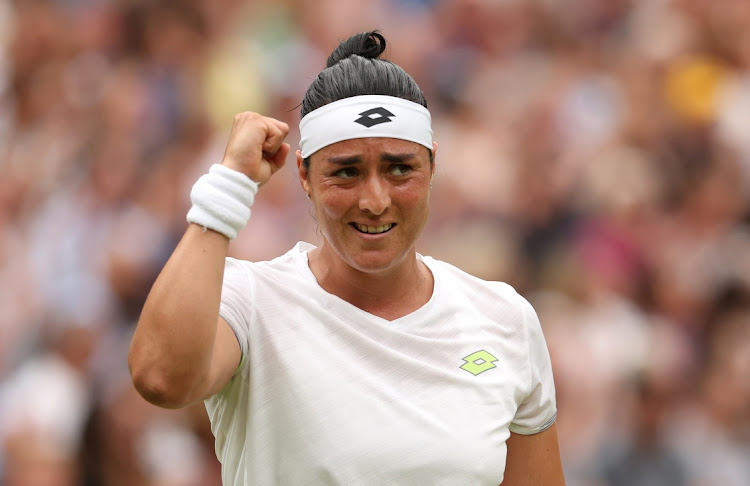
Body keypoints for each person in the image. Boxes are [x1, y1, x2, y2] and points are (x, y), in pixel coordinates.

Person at [128, 31, 565, 485]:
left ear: (433, 166)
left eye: (399, 168)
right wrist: (228, 186)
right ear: (304, 175)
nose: (375, 201)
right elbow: (161, 377)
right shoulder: (249, 302)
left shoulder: (504, 319)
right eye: (346, 172)